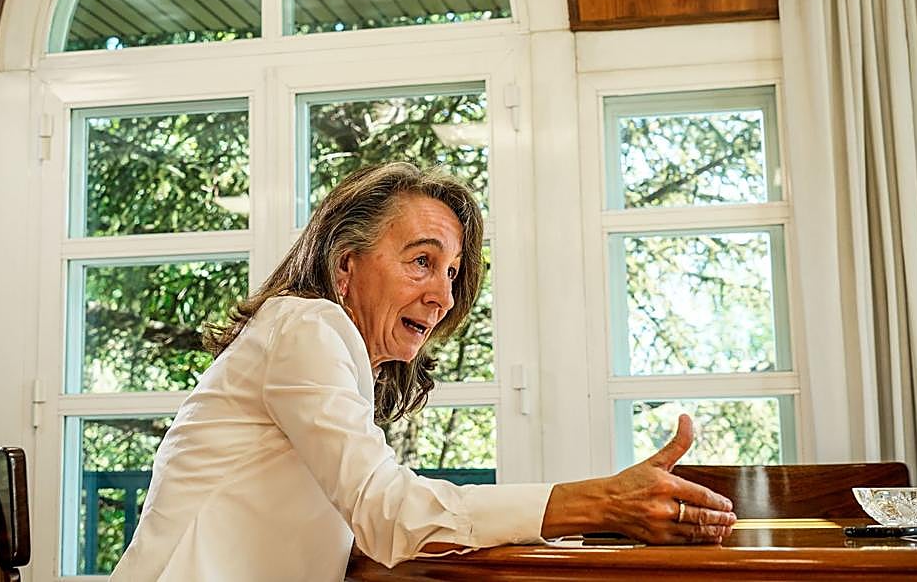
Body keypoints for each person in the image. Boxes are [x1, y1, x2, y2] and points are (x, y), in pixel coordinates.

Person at [110, 163, 736, 581]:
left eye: (452, 271)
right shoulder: (307, 328)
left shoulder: (321, 350)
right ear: (345, 266)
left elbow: (371, 522)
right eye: (420, 261)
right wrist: (600, 502)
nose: (442, 294)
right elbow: (387, 511)